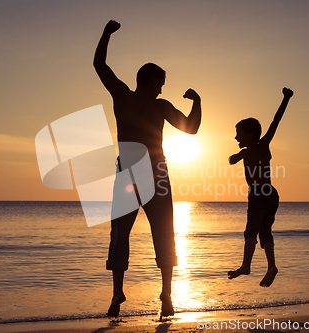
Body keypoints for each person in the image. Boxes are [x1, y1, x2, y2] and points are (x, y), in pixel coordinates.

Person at [93, 20, 202, 318]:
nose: (163, 88)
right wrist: (198, 102)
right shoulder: (161, 106)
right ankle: (166, 296)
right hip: (156, 173)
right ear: (153, 82)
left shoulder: (122, 97)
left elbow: (99, 64)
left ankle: (118, 292)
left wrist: (106, 34)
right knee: (164, 232)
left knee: (120, 235)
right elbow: (192, 128)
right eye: (162, 83)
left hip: (127, 171)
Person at [227, 87, 293, 287]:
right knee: (265, 231)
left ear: (248, 135)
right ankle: (271, 266)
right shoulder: (263, 145)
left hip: (258, 194)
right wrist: (286, 99)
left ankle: (246, 265)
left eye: (238, 134)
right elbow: (276, 121)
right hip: (272, 194)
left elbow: (231, 160)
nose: (236, 138)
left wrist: (238, 156)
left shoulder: (248, 151)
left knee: (250, 231)